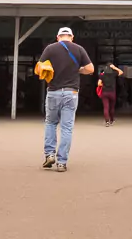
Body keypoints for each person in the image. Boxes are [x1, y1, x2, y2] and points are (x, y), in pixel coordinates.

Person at [40, 27, 94, 172]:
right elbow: (90, 69)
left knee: (50, 123)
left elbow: (40, 67)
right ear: (72, 37)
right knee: (67, 127)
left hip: (53, 92)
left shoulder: (50, 49)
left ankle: (49, 154)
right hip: (71, 93)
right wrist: (78, 70)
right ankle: (62, 162)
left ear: (58, 37)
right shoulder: (79, 49)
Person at [98, 61, 123, 126]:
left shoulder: (102, 75)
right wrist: (115, 68)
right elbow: (121, 72)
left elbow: (99, 84)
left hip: (104, 92)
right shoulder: (113, 74)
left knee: (106, 107)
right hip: (112, 92)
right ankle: (112, 120)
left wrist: (104, 85)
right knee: (112, 107)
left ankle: (107, 122)